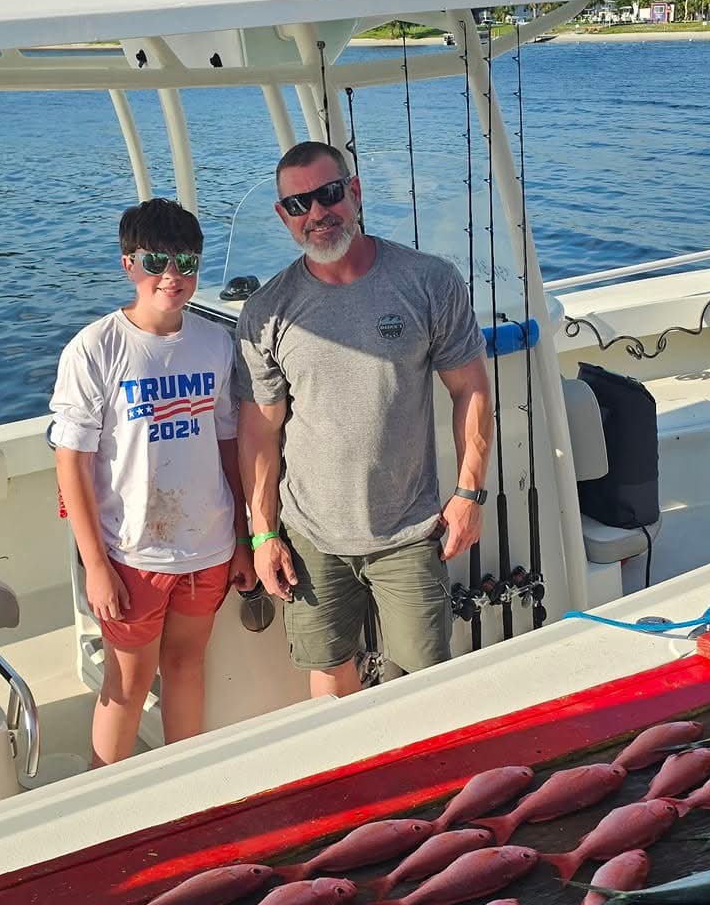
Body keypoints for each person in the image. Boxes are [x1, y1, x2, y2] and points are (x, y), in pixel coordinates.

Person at [235, 141, 493, 696]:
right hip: (310, 535)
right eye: (298, 204)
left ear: (353, 192)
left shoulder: (429, 281)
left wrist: (469, 494)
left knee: (425, 683)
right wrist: (262, 535)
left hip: (410, 530)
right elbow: (260, 429)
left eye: (329, 194)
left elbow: (469, 386)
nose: (317, 213)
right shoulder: (266, 313)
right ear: (284, 217)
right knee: (328, 674)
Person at [50, 199, 254, 766]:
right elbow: (71, 462)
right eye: (155, 260)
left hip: (208, 547)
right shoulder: (96, 348)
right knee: (126, 686)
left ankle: (178, 795)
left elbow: (228, 444)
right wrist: (96, 567)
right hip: (133, 554)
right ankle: (101, 808)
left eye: (187, 261)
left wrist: (240, 539)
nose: (172, 275)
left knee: (187, 669)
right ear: (127, 264)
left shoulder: (216, 342)